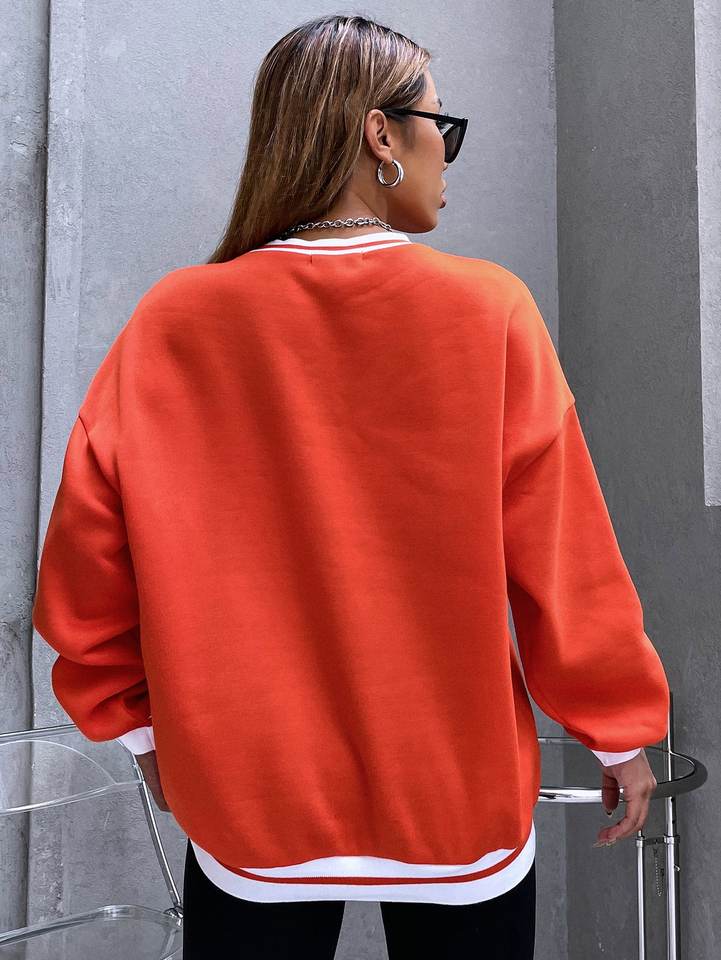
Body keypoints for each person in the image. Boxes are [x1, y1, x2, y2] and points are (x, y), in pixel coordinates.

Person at [30, 13, 669, 960]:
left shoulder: (174, 322)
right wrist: (616, 732)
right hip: (454, 805)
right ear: (381, 134)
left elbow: (85, 571)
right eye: (440, 127)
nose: (446, 155)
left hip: (249, 808)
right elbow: (562, 558)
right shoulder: (488, 310)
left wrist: (141, 732)